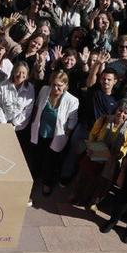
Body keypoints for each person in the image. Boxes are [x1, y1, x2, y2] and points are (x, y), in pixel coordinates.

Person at [73, 101, 127, 211]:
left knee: (102, 182)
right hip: (97, 151)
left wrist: (120, 154)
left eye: (126, 113)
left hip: (112, 158)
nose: (121, 114)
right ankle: (78, 197)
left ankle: (93, 202)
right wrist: (91, 147)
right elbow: (93, 134)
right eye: (120, 110)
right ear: (116, 109)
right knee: (86, 176)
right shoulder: (104, 119)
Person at [29, 70, 80, 198]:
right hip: (40, 131)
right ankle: (32, 180)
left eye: (59, 86)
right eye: (54, 85)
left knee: (51, 162)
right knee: (36, 158)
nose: (56, 88)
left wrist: (67, 133)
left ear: (66, 85)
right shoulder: (44, 90)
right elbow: (37, 106)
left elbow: (73, 120)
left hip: (57, 136)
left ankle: (47, 183)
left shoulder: (72, 100)